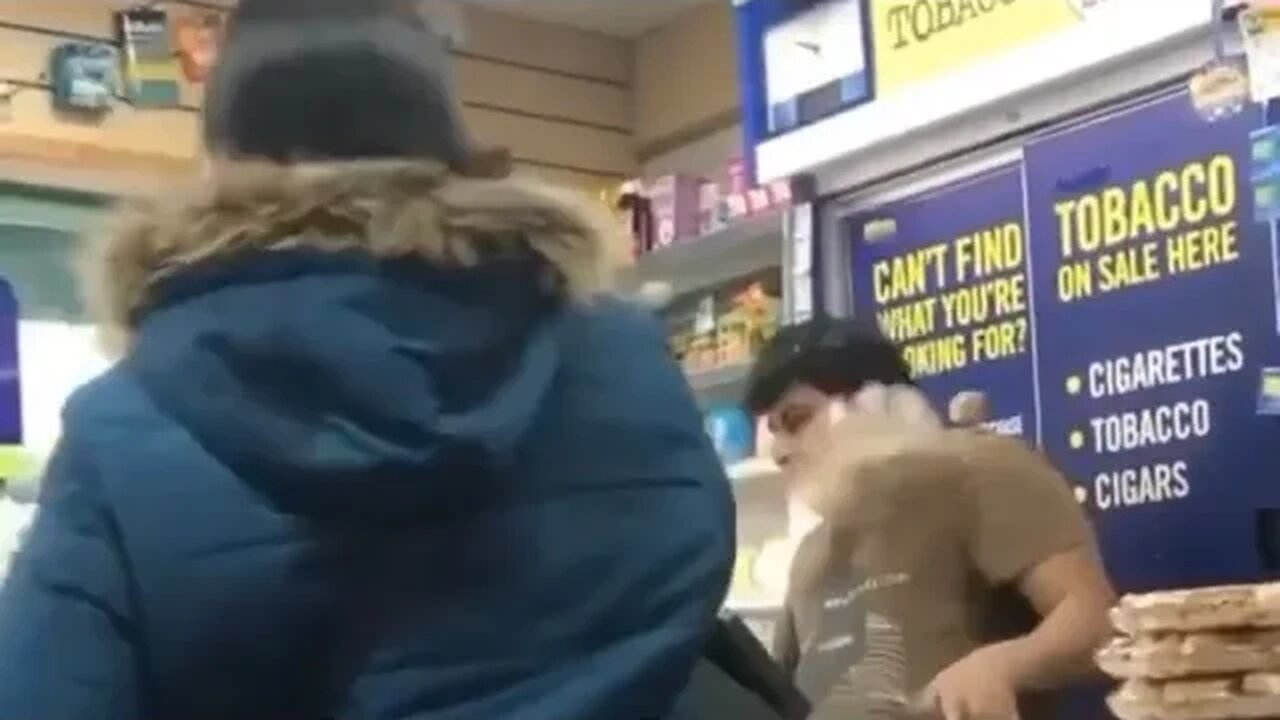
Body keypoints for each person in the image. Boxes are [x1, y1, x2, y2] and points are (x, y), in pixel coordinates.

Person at [0, 1, 735, 718]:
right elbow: (681, 587)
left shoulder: (126, 424)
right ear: (446, 144)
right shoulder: (624, 365)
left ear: (222, 161)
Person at [745, 317, 1115, 720]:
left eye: (797, 419)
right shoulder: (811, 552)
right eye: (771, 430)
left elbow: (1096, 620)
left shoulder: (977, 466)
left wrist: (1001, 665)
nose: (779, 450)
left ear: (875, 402)